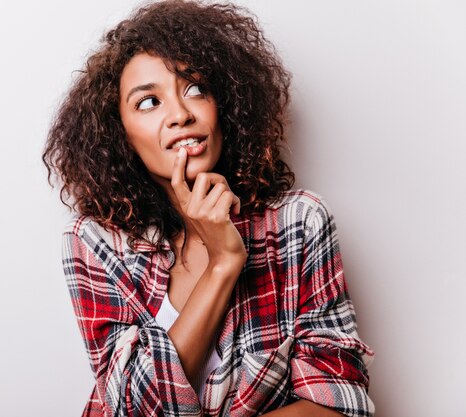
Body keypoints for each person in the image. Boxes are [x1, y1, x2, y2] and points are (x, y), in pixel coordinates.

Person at [43, 1, 374, 416]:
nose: (180, 115)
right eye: (148, 102)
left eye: (196, 89)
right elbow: (133, 407)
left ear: (228, 107)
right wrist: (223, 264)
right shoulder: (95, 241)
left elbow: (340, 399)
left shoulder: (299, 222)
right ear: (120, 133)